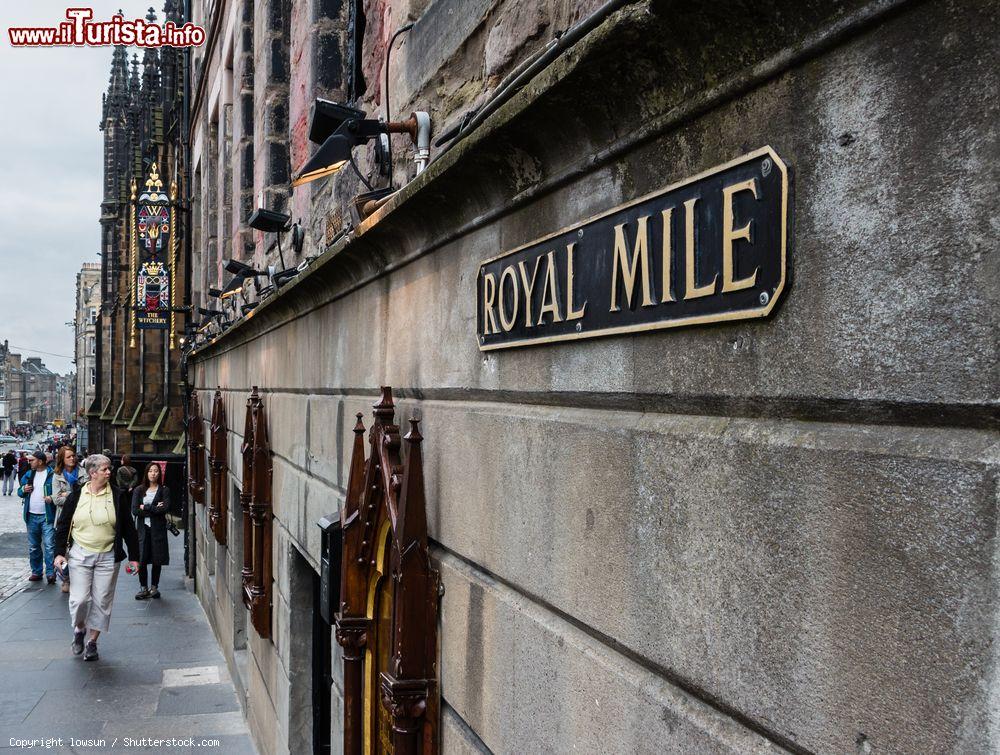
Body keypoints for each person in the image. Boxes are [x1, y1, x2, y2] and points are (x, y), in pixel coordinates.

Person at [53, 454, 139, 662]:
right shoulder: (77, 495)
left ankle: (92, 642)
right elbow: (63, 524)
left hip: (108, 555)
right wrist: (58, 553)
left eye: (109, 468)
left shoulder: (117, 496)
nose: (109, 472)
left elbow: (128, 527)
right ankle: (80, 629)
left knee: (102, 601)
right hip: (80, 554)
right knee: (80, 599)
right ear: (92, 473)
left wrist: (135, 557)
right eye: (104, 469)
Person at [131, 462, 170, 600]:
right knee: (142, 559)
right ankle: (143, 588)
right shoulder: (139, 490)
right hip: (142, 530)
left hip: (158, 530)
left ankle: (154, 587)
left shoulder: (164, 490)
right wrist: (155, 508)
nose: (153, 473)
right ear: (146, 473)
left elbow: (165, 509)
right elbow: (135, 510)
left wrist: (146, 507)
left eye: (156, 471)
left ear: (159, 474)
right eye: (151, 471)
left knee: (156, 559)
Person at [52, 446, 88, 594]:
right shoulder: (57, 475)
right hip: (64, 516)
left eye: (73, 456)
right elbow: (56, 499)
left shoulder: (83, 472)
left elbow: (86, 494)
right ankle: (66, 579)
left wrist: (68, 494)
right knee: (65, 549)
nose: (72, 459)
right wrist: (70, 496)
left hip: (82, 515)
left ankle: (81, 577)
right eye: (68, 457)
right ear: (62, 459)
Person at [17, 450, 56, 584]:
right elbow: (20, 491)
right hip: (31, 515)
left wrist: (52, 498)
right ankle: (36, 571)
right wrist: (23, 490)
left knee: (49, 546)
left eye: (32, 460)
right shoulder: (29, 474)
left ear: (40, 461)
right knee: (33, 546)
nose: (29, 462)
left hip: (47, 516)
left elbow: (59, 492)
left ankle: (51, 573)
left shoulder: (52, 474)